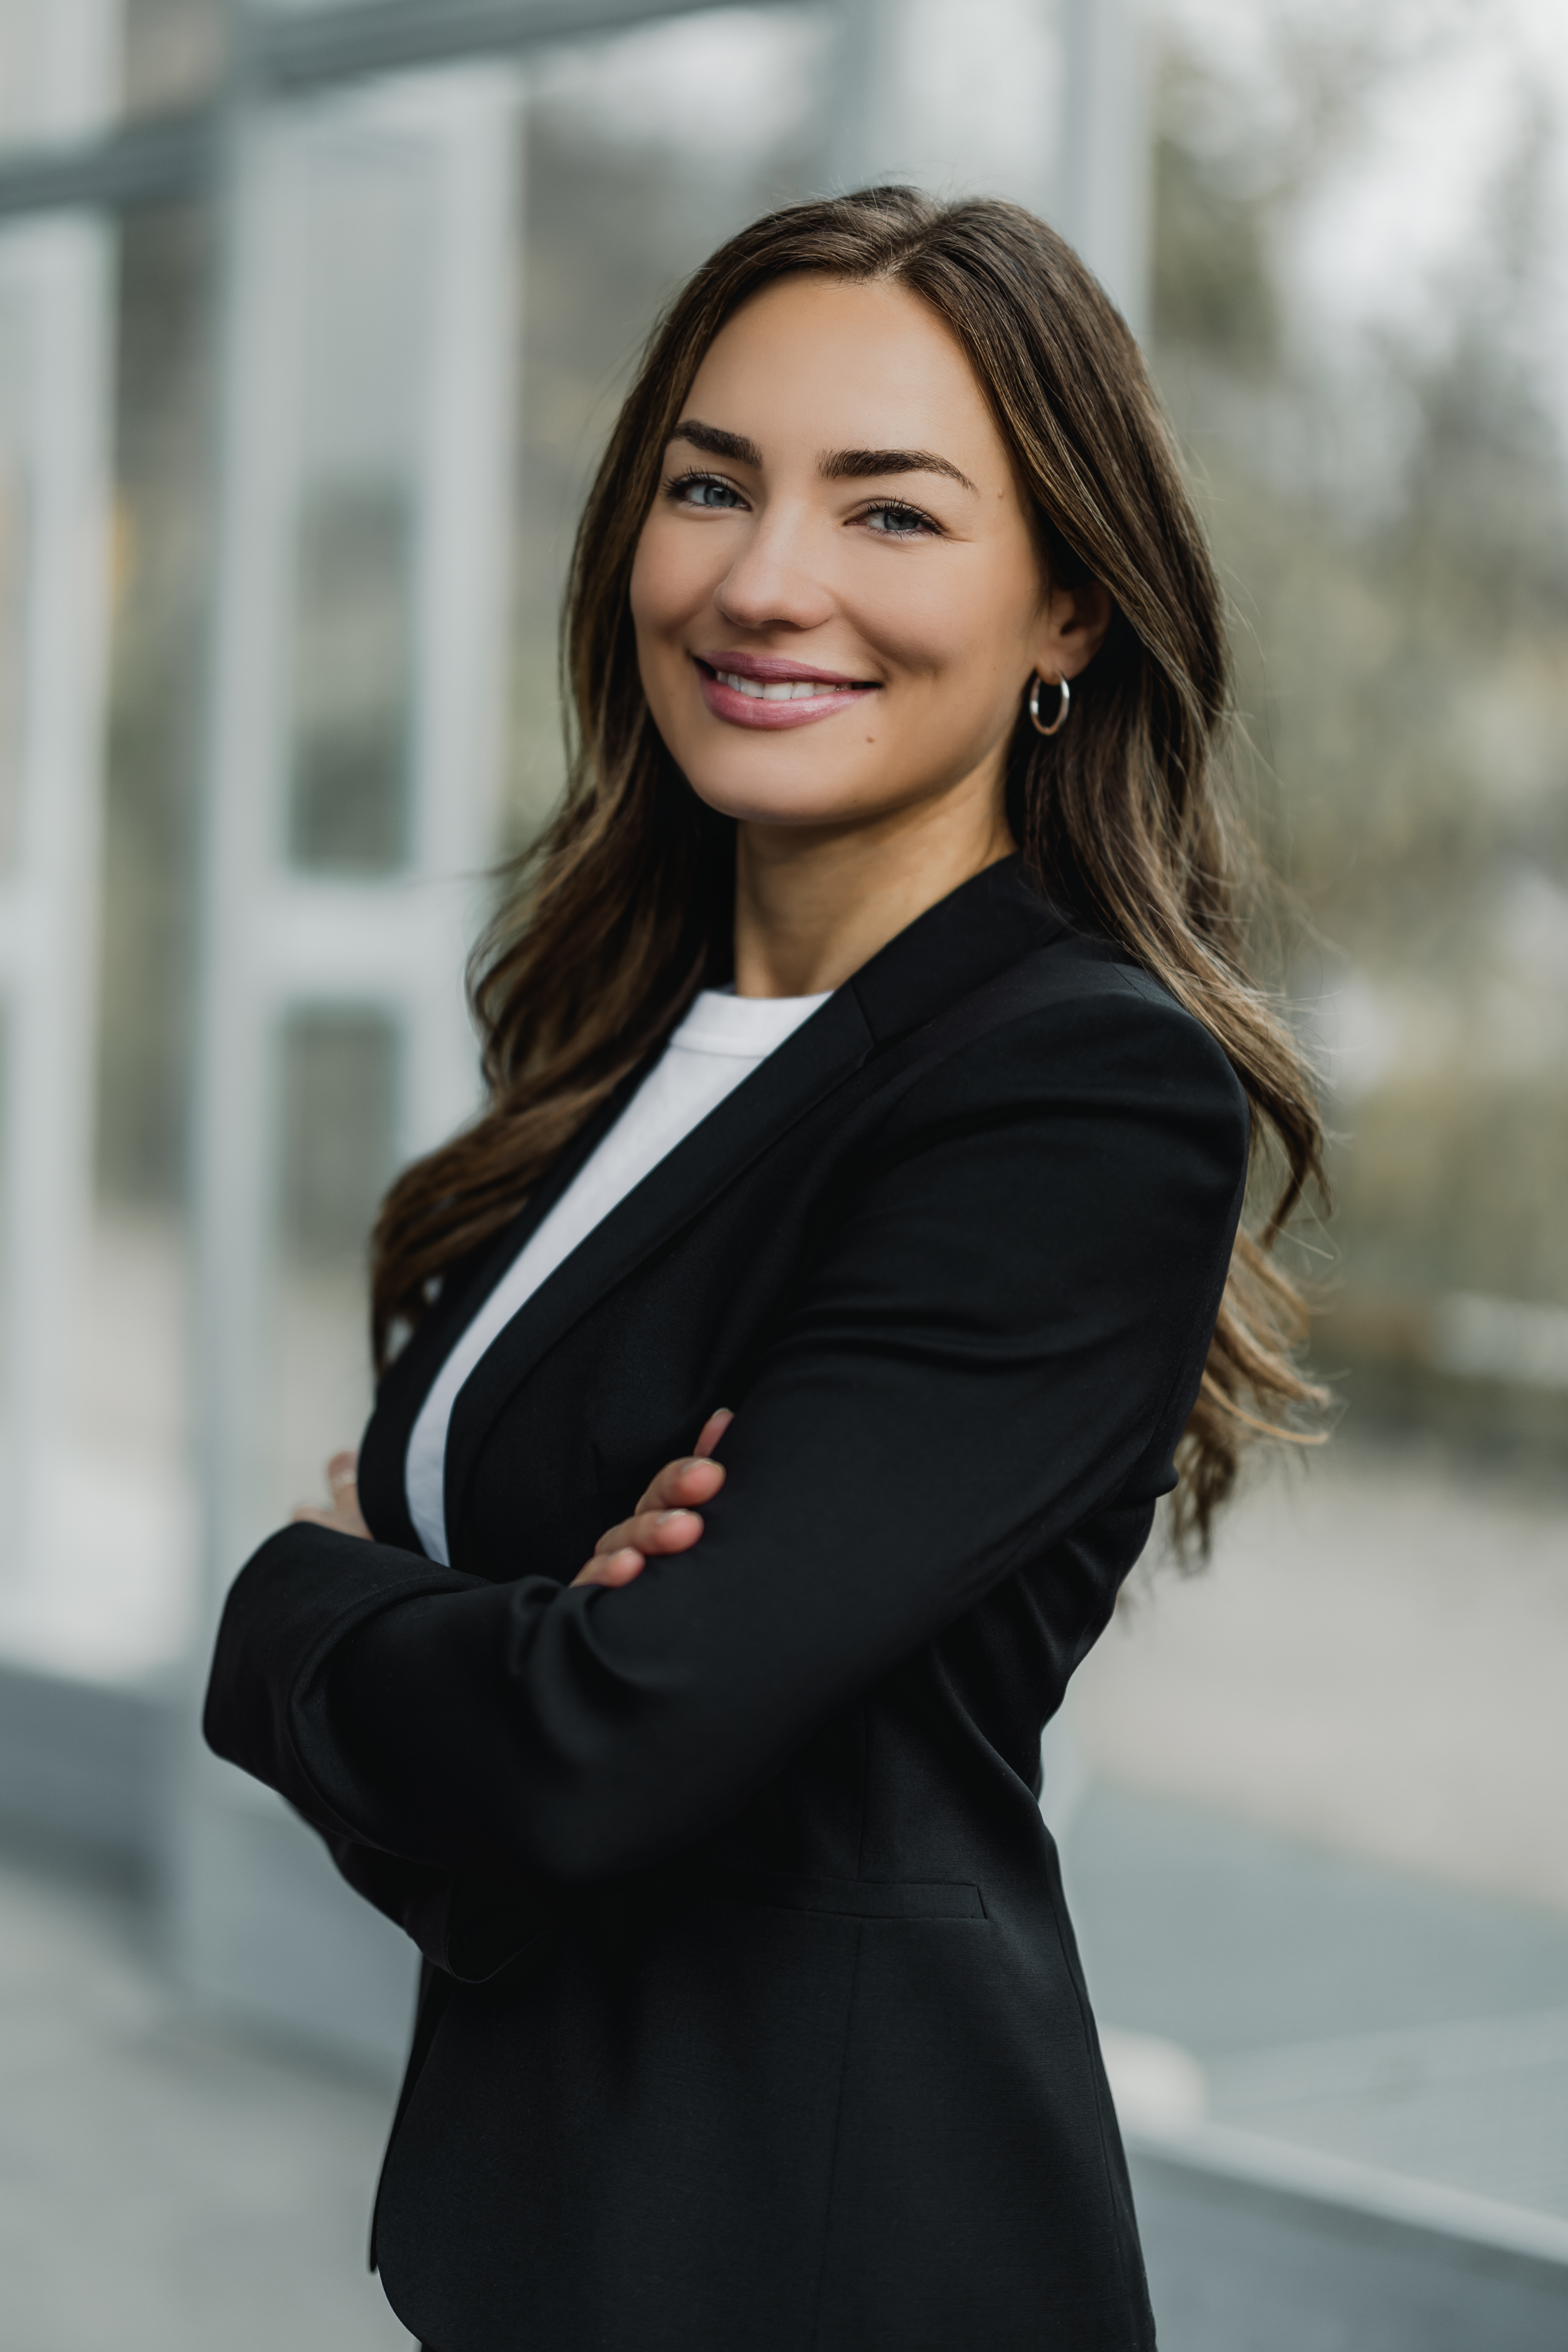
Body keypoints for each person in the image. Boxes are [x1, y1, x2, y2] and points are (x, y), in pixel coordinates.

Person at [204, 186, 1325, 2351]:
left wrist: (290, 1606)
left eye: (888, 512)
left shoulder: (1076, 1092)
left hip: (838, 2266)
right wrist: (509, 1671)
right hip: (550, 2253)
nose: (760, 579)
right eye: (710, 485)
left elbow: (592, 1747)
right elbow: (542, 1783)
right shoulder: (622, 1057)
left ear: (1068, 609)